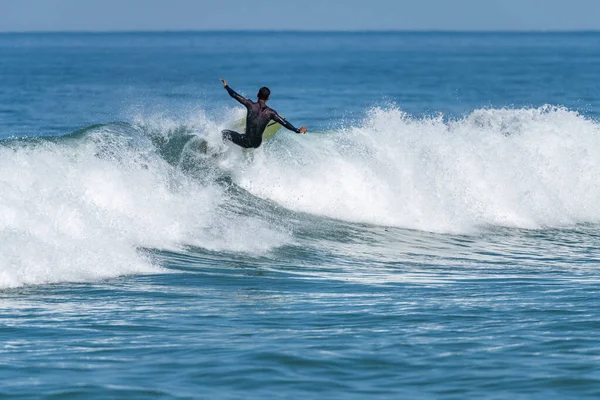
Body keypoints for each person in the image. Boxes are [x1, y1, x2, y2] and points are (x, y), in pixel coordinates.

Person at [220, 79, 307, 149]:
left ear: (257, 94)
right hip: (257, 143)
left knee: (224, 133)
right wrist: (297, 130)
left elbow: (235, 95)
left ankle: (223, 150)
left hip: (246, 142)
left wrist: (226, 86)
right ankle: (247, 131)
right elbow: (285, 123)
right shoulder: (271, 112)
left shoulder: (250, 104)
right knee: (254, 128)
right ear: (268, 98)